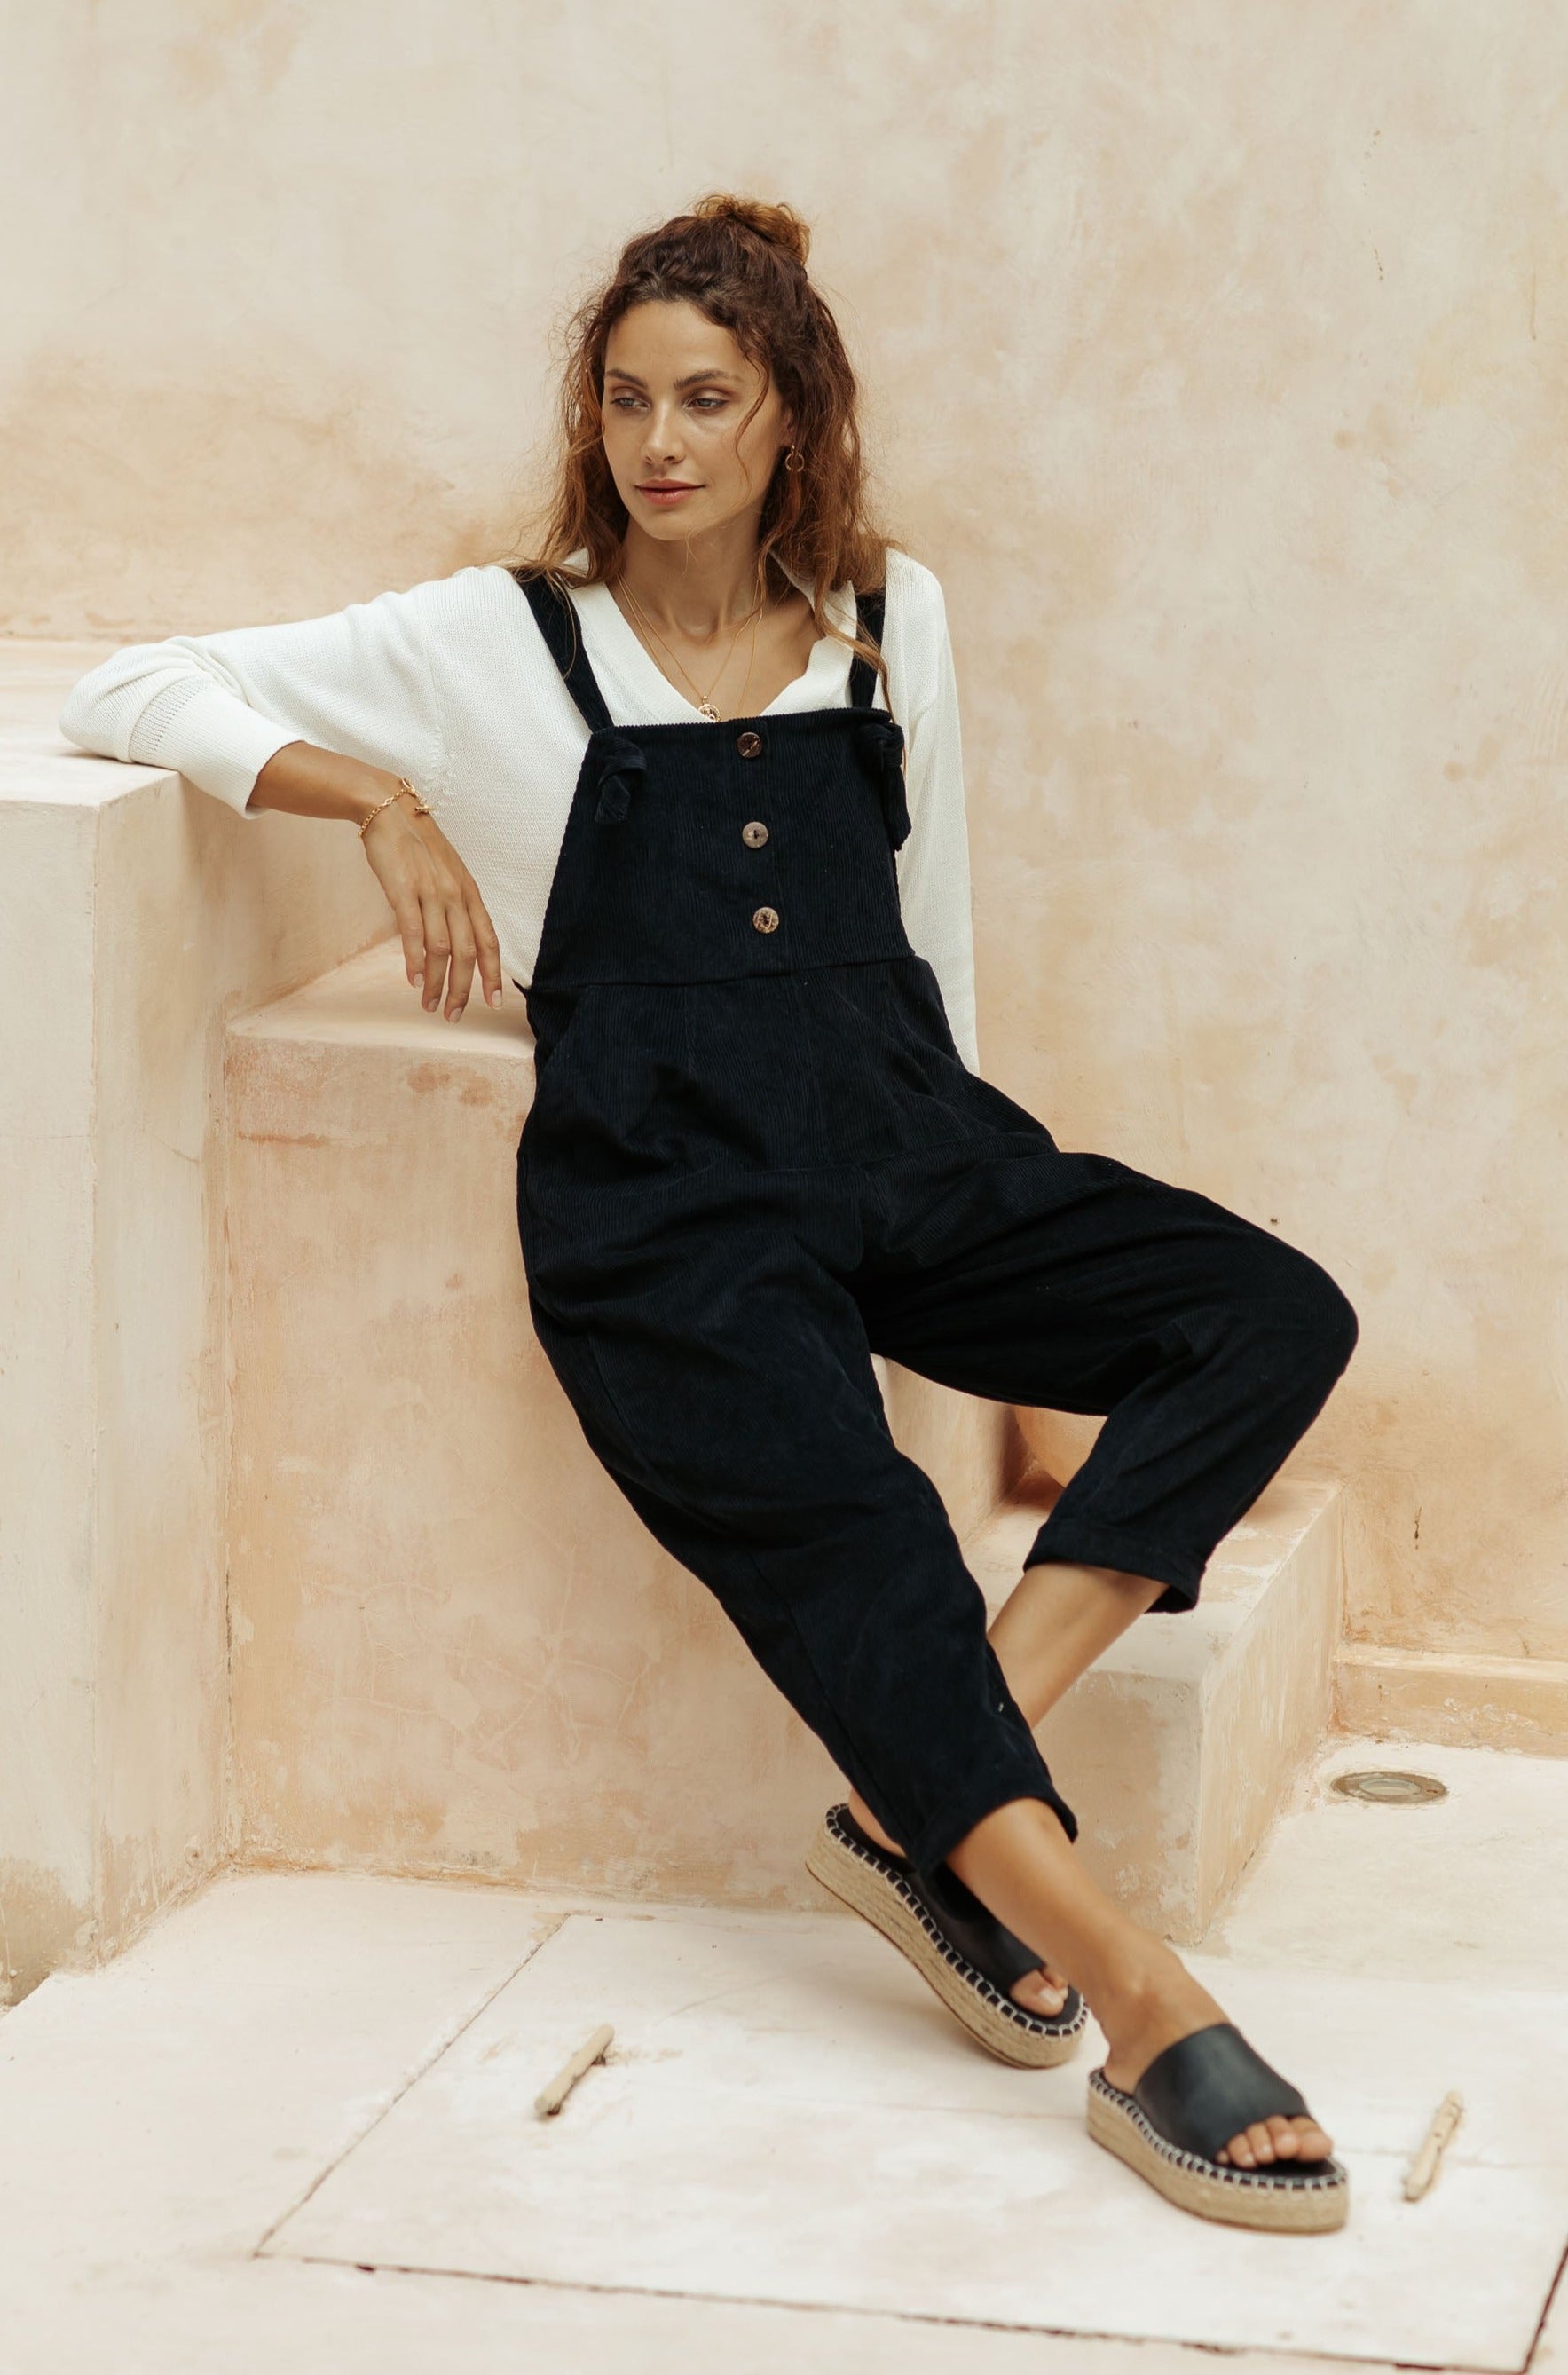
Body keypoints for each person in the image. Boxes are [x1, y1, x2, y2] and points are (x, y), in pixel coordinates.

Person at [60, 193, 1358, 2233]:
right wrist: (374, 797)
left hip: (912, 1145)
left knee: (1268, 1311)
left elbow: (933, 946)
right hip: (663, 1219)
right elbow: (132, 687)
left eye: (708, 401)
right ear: (593, 417)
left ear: (786, 419)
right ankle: (1140, 2003)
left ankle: (913, 1800)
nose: (660, 442)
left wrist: (1002, 1250)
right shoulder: (496, 636)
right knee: (864, 1544)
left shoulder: (883, 615)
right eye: (628, 399)